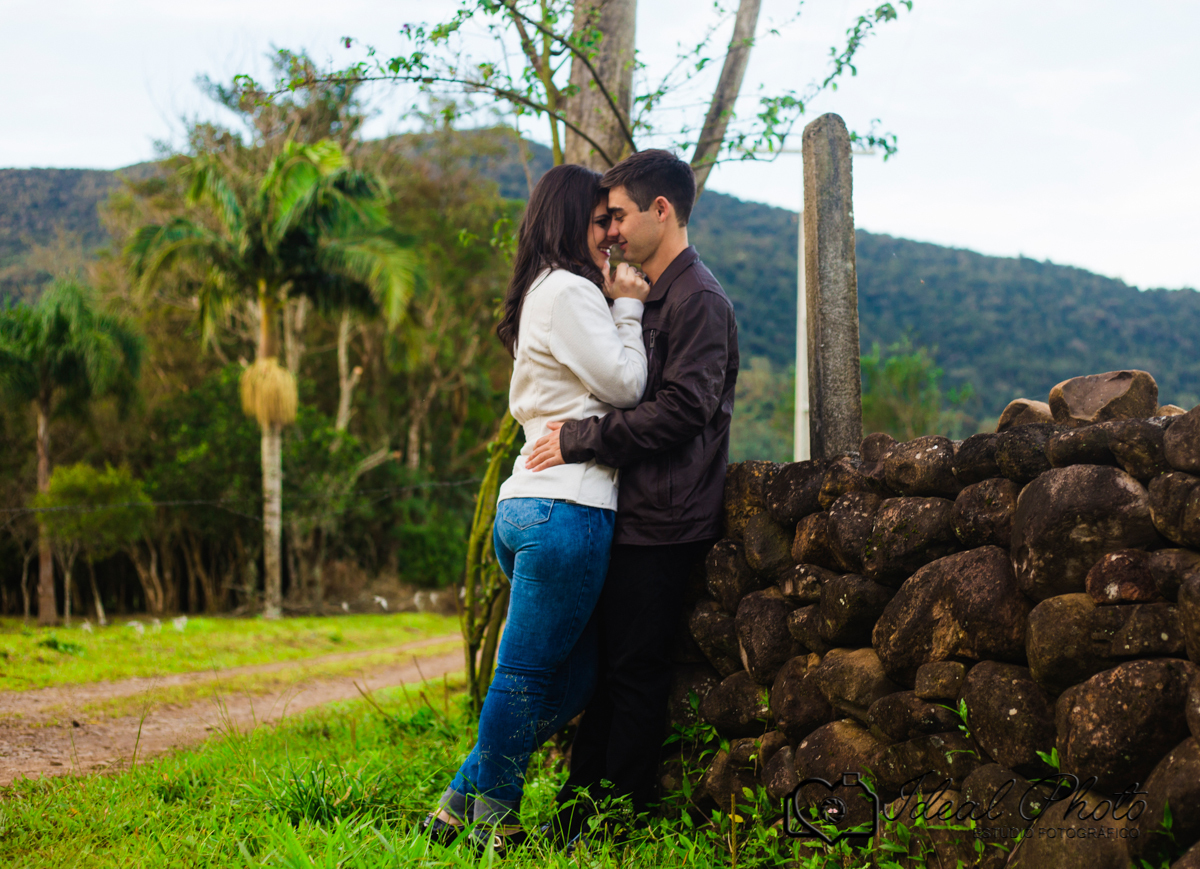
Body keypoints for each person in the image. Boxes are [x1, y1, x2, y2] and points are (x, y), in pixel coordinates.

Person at [421, 163, 651, 854]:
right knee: (523, 675)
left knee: (574, 675)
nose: (610, 233)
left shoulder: (536, 293)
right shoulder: (571, 292)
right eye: (598, 220)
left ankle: (462, 800)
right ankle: (498, 820)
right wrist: (630, 306)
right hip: (566, 509)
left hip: (529, 507)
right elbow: (627, 384)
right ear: (568, 221)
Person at [526, 149, 740, 844]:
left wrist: (583, 438)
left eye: (617, 215)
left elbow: (683, 410)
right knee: (608, 670)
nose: (610, 230)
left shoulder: (699, 298)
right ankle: (574, 817)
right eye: (603, 219)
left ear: (661, 211)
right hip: (630, 507)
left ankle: (612, 824)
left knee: (636, 673)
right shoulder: (648, 291)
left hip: (667, 518)